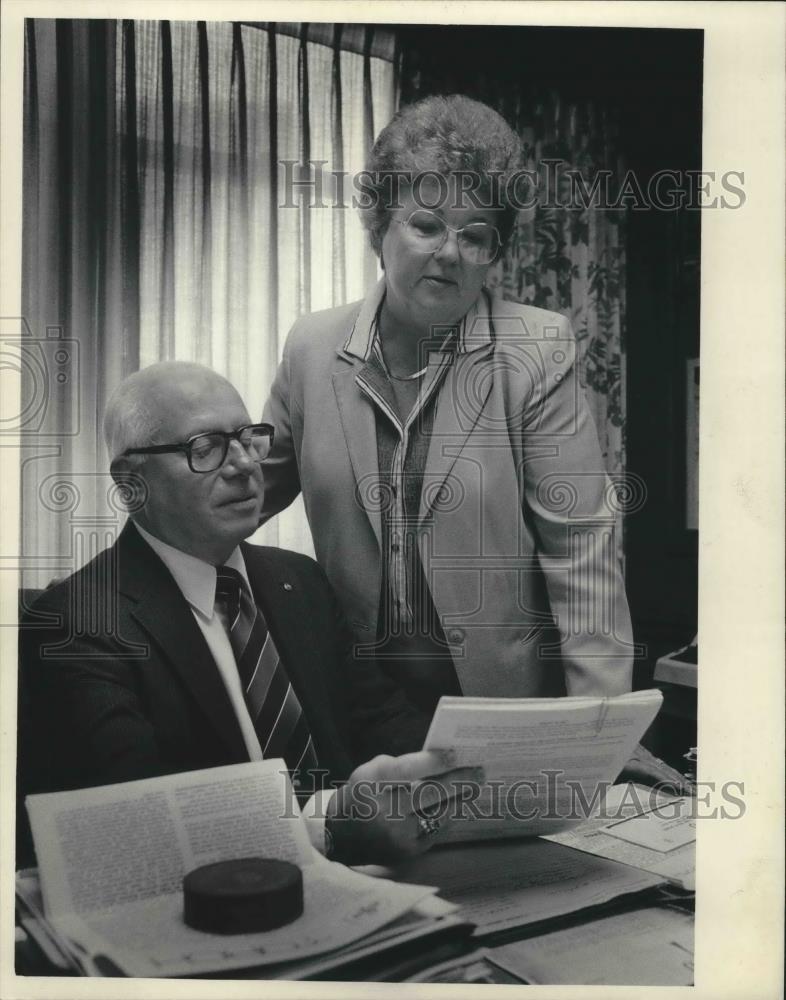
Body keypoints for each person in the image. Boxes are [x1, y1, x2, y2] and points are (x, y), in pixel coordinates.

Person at [261, 94, 638, 762]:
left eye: (475, 234)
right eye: (427, 224)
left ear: (496, 250)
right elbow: (244, 491)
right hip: (361, 705)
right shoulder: (311, 348)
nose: (450, 253)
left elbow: (581, 554)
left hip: (498, 706)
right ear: (380, 227)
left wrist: (597, 737)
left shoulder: (535, 348)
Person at [19, 361, 481, 867]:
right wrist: (331, 829)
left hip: (377, 885)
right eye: (205, 448)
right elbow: (139, 815)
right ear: (132, 483)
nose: (243, 464)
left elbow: (379, 716)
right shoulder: (77, 621)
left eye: (248, 438)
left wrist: (463, 774)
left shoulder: (300, 581)